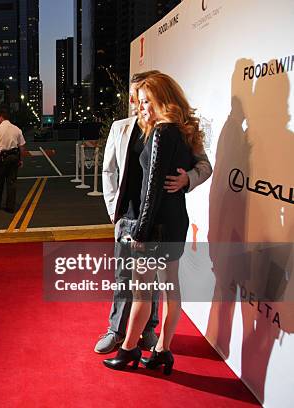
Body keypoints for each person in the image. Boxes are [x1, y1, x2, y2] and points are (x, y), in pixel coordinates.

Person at [96, 70, 213, 353]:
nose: (138, 104)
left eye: (144, 98)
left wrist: (188, 180)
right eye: (136, 98)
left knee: (155, 282)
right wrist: (114, 209)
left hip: (156, 219)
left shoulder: (171, 129)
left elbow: (204, 166)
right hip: (127, 216)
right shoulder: (121, 128)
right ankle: (116, 331)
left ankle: (148, 331)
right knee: (125, 277)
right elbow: (109, 170)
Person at [0, 107, 26, 213]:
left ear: (0, 117)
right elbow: (22, 147)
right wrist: (21, 160)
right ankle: (10, 207)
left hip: (0, 158)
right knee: (11, 183)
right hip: (13, 157)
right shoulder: (17, 129)